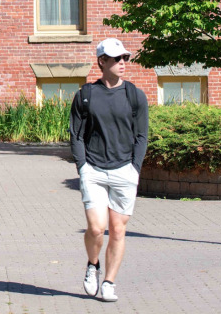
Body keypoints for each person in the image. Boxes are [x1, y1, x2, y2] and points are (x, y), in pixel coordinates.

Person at [69, 38, 149, 303]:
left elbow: (142, 135)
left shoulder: (134, 95)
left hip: (124, 170)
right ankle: (92, 265)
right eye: (116, 59)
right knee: (95, 228)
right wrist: (82, 167)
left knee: (117, 230)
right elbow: (76, 135)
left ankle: (109, 282)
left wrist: (134, 168)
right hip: (93, 169)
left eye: (124, 58)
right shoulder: (85, 95)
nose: (122, 63)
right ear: (102, 62)